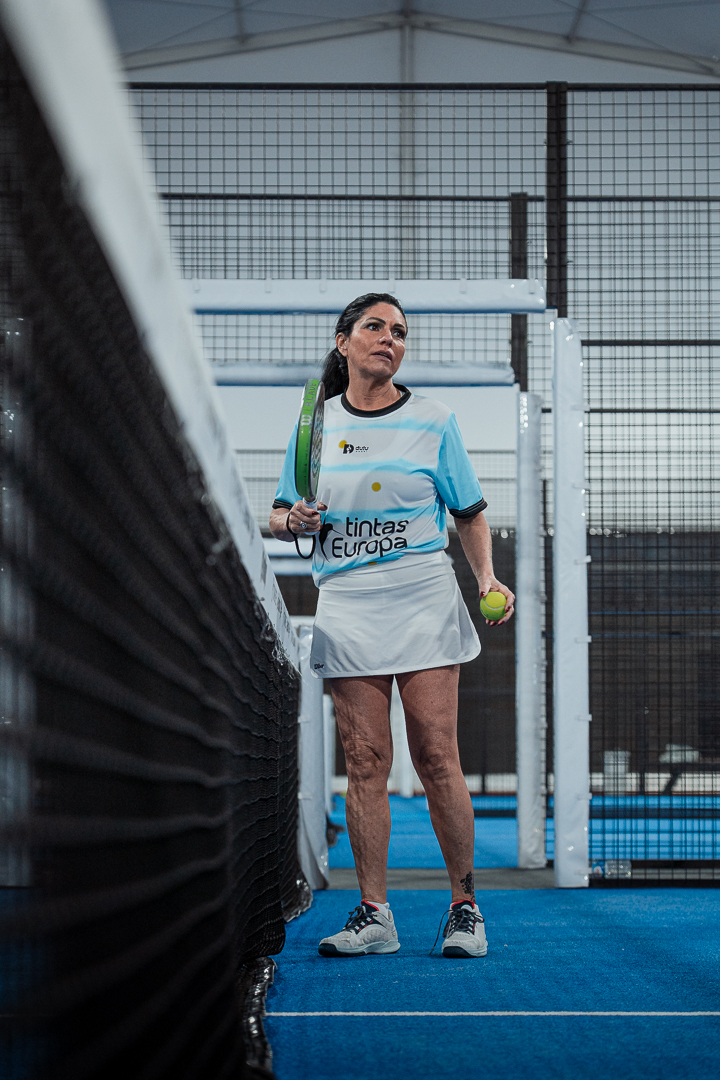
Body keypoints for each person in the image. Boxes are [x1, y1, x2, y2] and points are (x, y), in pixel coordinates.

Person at [269, 293, 514, 959]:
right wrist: (293, 520)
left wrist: (486, 579)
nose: (389, 339)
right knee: (365, 761)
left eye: (400, 332)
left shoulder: (434, 420)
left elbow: (469, 511)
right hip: (348, 604)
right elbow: (280, 511)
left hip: (422, 597)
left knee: (436, 756)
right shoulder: (314, 426)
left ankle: (465, 909)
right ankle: (375, 915)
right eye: (375, 327)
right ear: (343, 341)